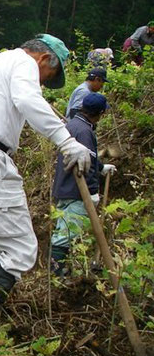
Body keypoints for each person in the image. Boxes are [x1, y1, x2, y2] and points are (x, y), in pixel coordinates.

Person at [0, 34, 91, 328]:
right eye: (48, 76)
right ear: (45, 59)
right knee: (20, 248)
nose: (43, 83)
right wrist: (67, 142)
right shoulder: (24, 62)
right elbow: (27, 100)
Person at [50, 93, 116, 275]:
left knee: (64, 231)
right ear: (100, 113)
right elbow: (85, 167)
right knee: (65, 235)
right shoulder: (85, 132)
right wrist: (93, 191)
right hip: (77, 191)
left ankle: (62, 274)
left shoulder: (72, 125)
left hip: (64, 187)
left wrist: (101, 167)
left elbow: (87, 158)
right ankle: (58, 278)